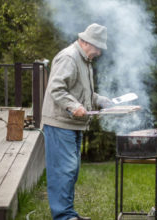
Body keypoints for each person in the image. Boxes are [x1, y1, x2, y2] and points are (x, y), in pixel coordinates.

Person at [41, 23, 113, 220]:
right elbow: (56, 88)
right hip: (60, 122)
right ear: (85, 41)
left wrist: (101, 100)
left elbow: (82, 92)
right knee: (63, 170)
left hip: (73, 124)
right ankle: (63, 216)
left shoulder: (84, 60)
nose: (99, 52)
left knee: (71, 170)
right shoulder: (69, 57)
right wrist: (73, 106)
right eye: (97, 47)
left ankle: (68, 213)